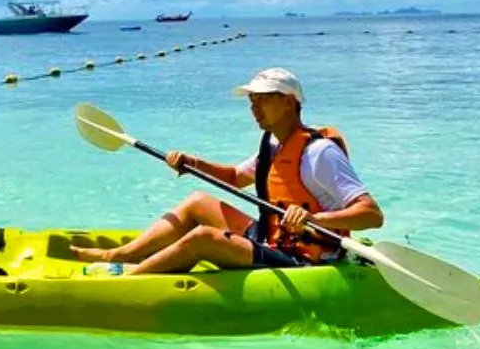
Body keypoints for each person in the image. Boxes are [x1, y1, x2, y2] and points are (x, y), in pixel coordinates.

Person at [71, 67, 384, 274]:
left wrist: (314, 220)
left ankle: (126, 280)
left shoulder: (319, 153)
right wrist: (193, 164)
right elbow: (235, 178)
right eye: (251, 101)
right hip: (274, 238)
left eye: (262, 100)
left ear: (289, 103)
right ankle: (119, 256)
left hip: (304, 259)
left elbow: (371, 214)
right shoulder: (274, 144)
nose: (254, 108)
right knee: (197, 200)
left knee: (205, 238)